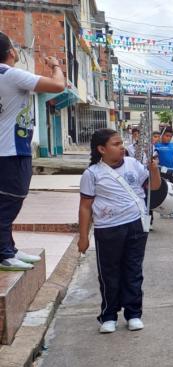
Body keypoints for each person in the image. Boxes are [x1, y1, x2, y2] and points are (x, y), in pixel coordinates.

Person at [77, 128, 162, 333]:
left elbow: (155, 186)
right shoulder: (92, 174)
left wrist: (154, 170)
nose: (121, 147)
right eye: (115, 144)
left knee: (133, 271)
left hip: (135, 225)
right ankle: (108, 315)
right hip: (108, 229)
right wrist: (83, 237)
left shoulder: (133, 164)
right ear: (101, 149)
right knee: (109, 273)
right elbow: (85, 206)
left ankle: (133, 314)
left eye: (121, 143)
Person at [0, 31, 66, 271]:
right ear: (11, 52)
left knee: (6, 201)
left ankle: (9, 247)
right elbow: (59, 85)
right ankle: (3, 253)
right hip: (12, 150)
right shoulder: (11, 74)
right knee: (10, 202)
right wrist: (56, 66)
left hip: (8, 148)